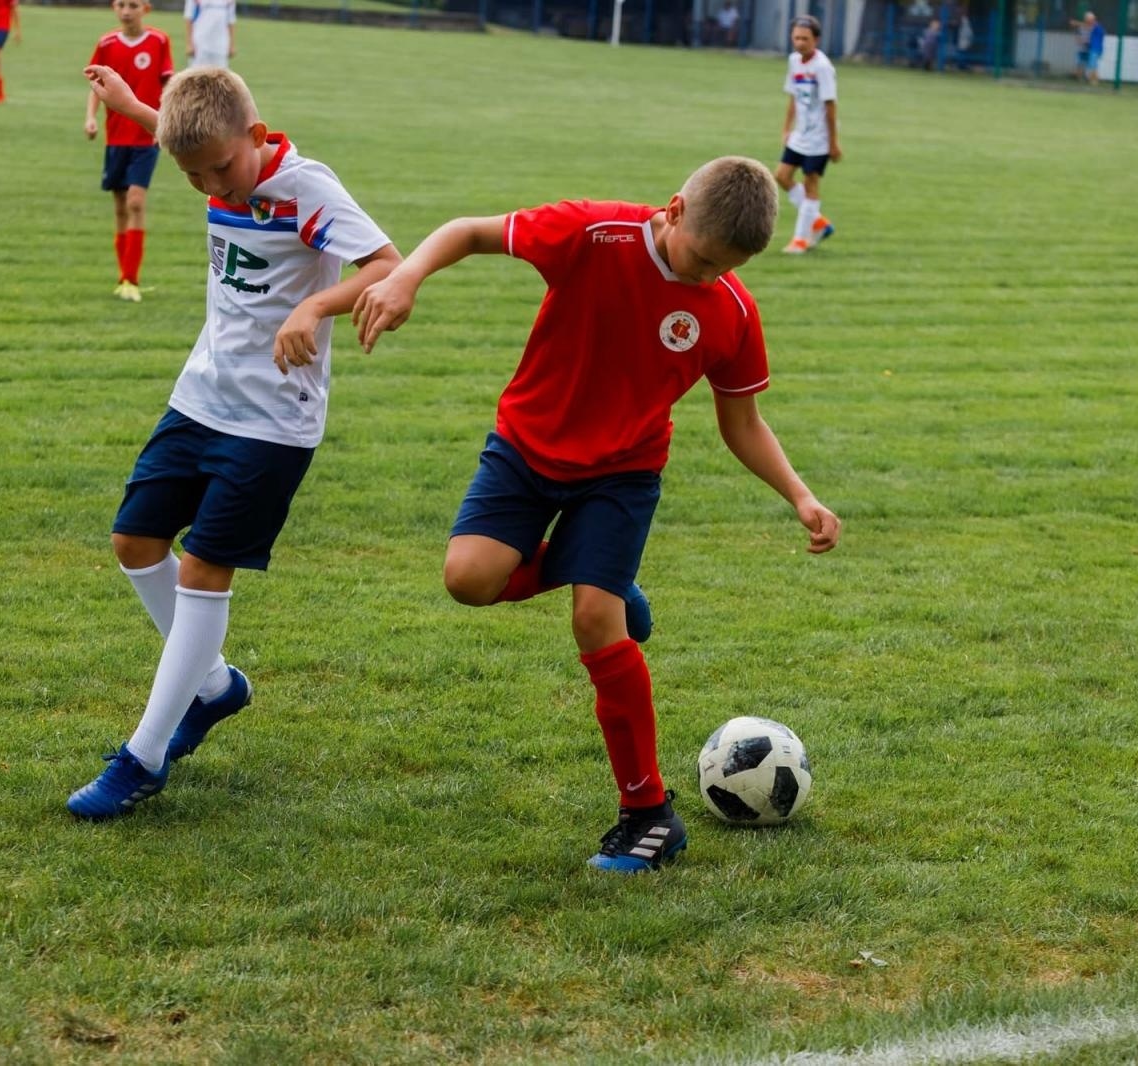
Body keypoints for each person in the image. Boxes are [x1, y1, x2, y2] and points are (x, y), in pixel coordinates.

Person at [350, 157, 842, 873]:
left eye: (726, 269)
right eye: (703, 259)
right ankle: (599, 572)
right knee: (469, 580)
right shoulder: (593, 234)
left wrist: (800, 495)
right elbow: (469, 231)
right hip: (525, 447)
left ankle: (649, 815)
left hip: (623, 473)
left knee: (595, 620)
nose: (709, 277)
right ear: (674, 210)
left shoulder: (731, 310)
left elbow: (742, 422)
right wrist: (406, 276)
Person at [66, 65, 400, 820]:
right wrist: (135, 107)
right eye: (193, 176)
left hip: (274, 418)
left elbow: (388, 264)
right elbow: (194, 139)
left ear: (256, 136)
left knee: (205, 569)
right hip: (201, 396)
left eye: (221, 168)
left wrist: (315, 306)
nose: (212, 185)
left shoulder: (305, 188)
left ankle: (143, 757)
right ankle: (215, 686)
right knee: (134, 543)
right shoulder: (216, 159)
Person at [85, 0, 173, 302]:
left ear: (145, 8)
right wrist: (90, 118)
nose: (126, 11)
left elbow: (167, 86)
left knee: (136, 202)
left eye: (133, 5)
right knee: (120, 207)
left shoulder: (159, 40)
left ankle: (131, 279)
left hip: (146, 138)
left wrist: (164, 124)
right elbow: (96, 85)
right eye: (121, 5)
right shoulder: (106, 43)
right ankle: (122, 277)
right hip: (116, 138)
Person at [776, 15, 840, 254]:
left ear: (816, 40)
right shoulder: (794, 61)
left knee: (811, 183)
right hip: (800, 134)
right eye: (796, 38)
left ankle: (800, 240)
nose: (800, 43)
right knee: (782, 176)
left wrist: (833, 142)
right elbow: (793, 97)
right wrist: (786, 128)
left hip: (819, 138)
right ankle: (818, 222)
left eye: (805, 39)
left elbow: (830, 105)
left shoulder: (822, 67)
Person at [184, 0, 236, 69]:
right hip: (199, 44)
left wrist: (231, 45)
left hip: (221, 45)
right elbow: (189, 18)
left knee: (220, 73)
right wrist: (189, 44)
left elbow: (231, 21)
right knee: (197, 73)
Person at [1071, 11, 1105, 85]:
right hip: (1089, 48)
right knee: (1088, 64)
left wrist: (1076, 23)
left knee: (1092, 65)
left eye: (1088, 19)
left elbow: (1089, 26)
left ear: (1093, 19)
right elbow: (1080, 33)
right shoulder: (1086, 27)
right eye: (1086, 19)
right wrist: (1081, 41)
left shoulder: (1097, 27)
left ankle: (1094, 80)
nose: (1087, 21)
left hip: (1095, 49)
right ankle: (1087, 79)